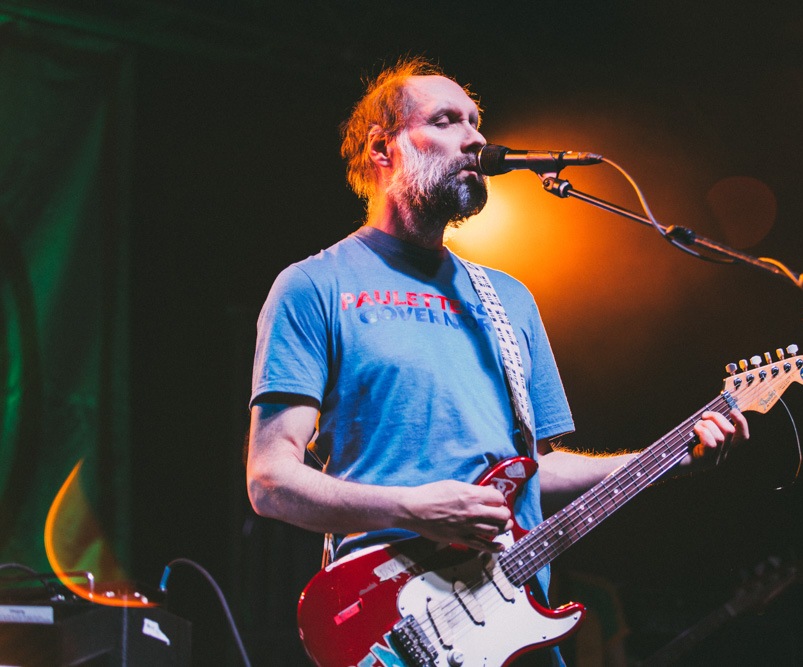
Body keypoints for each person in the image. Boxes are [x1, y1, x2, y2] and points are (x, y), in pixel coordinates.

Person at [245, 56, 748, 663]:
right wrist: (414, 509)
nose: (476, 137)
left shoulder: (508, 298)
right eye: (447, 120)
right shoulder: (314, 286)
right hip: (395, 623)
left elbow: (535, 472)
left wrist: (659, 461)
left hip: (509, 624)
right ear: (384, 148)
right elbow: (271, 481)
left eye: (477, 121)